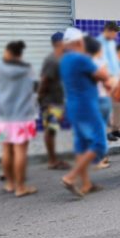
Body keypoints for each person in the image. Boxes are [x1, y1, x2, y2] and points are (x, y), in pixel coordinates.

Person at [60, 27, 110, 197]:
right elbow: (103, 75)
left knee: (81, 145)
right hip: (87, 106)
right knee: (99, 143)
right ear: (78, 42)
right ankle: (70, 177)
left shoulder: (65, 60)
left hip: (73, 106)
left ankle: (87, 184)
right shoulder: (82, 59)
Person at [0, 41, 38, 197]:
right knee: (20, 151)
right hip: (22, 117)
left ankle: (10, 184)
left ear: (8, 52)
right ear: (20, 54)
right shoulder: (27, 69)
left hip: (3, 117)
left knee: (6, 149)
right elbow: (34, 88)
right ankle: (20, 187)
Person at [38, 32, 70, 171]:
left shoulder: (62, 58)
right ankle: (52, 160)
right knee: (50, 130)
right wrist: (40, 99)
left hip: (57, 101)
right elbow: (44, 81)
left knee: (53, 130)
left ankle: (54, 158)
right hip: (50, 102)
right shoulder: (52, 60)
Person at [85, 36, 114, 170]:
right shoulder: (99, 64)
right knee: (100, 130)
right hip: (101, 99)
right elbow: (108, 82)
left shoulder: (85, 63)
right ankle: (99, 158)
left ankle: (97, 156)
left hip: (90, 99)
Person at [97, 21, 120, 141]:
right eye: (114, 32)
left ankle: (116, 129)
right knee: (107, 107)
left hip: (115, 77)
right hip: (106, 79)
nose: (116, 35)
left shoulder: (111, 43)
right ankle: (107, 131)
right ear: (108, 30)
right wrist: (106, 79)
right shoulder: (99, 42)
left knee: (118, 105)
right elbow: (100, 62)